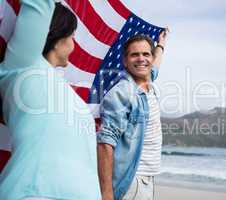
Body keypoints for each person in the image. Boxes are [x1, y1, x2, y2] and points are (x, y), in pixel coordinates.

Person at [0, 1, 101, 199]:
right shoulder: (24, 64)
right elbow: (39, 4)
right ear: (57, 35)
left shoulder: (64, 90)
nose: (74, 44)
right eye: (72, 36)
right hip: (34, 192)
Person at [97, 30, 168, 200]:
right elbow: (105, 144)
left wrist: (161, 45)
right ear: (125, 61)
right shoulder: (122, 93)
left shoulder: (149, 81)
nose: (141, 59)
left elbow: (154, 66)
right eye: (134, 55)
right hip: (131, 182)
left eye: (146, 54)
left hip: (147, 180)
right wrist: (106, 194)